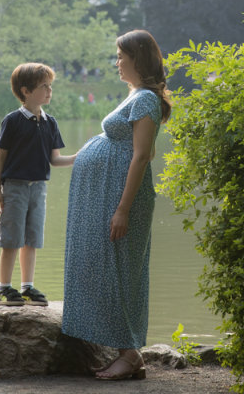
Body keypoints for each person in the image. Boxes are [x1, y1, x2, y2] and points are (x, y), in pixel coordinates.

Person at [60, 29, 173, 380]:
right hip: (107, 193)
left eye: (121, 56)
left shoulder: (146, 100)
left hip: (120, 196)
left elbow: (142, 157)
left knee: (117, 269)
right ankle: (124, 351)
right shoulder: (136, 95)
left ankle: (130, 355)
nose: (117, 62)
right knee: (99, 264)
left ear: (137, 58)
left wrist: (123, 208)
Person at [0, 62, 76, 307]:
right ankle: (3, 288)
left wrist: (80, 158)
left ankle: (27, 286)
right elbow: (1, 156)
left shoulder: (50, 123)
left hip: (39, 188)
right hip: (15, 187)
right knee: (11, 239)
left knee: (32, 238)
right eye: (43, 86)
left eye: (50, 86)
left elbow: (55, 159)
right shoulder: (13, 120)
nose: (49, 91)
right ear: (26, 91)